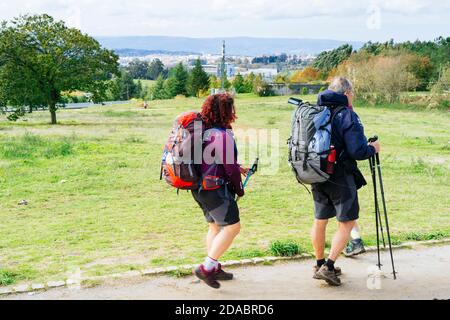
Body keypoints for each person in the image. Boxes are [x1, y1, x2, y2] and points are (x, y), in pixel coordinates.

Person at [311, 77, 381, 286]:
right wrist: (373, 149)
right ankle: (329, 267)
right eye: (352, 94)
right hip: (340, 176)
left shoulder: (316, 111)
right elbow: (358, 151)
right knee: (347, 221)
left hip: (317, 173)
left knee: (320, 220)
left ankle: (319, 262)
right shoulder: (347, 114)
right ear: (346, 94)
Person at [192, 93, 249, 289]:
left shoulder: (204, 131)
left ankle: (214, 266)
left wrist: (237, 167)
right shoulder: (222, 135)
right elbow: (229, 169)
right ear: (226, 112)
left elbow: (213, 161)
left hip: (199, 189)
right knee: (233, 228)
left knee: (214, 227)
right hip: (215, 189)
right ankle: (207, 268)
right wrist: (239, 188)